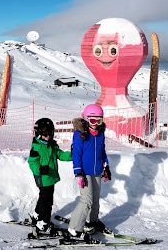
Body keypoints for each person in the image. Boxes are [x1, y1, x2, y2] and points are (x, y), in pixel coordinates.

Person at [66, 104, 112, 244]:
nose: (96, 124)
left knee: (96, 199)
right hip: (84, 172)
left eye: (99, 121)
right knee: (86, 200)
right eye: (93, 121)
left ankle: (91, 223)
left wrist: (106, 166)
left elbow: (102, 151)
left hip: (97, 170)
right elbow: (76, 155)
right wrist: (78, 173)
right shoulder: (79, 134)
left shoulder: (100, 133)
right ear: (86, 119)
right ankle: (74, 228)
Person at [28, 118, 72, 237]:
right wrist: (39, 169)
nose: (48, 137)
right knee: (47, 202)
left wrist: (72, 155)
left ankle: (37, 215)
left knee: (43, 197)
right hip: (43, 177)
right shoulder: (36, 147)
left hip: (50, 177)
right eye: (45, 134)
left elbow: (61, 155)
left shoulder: (52, 145)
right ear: (38, 133)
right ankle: (43, 223)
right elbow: (32, 162)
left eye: (50, 134)